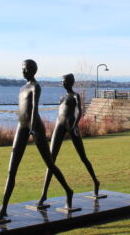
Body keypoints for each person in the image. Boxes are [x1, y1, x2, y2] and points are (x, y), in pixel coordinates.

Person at [0, 60, 75, 220]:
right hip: (21, 127)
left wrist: (32, 129)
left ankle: (68, 190)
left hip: (35, 127)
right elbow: (22, 111)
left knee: (49, 164)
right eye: (22, 69)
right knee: (12, 169)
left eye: (24, 69)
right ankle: (3, 209)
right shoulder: (22, 88)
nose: (22, 71)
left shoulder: (35, 87)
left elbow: (34, 109)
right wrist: (22, 127)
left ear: (31, 71)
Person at [37, 73, 100, 207]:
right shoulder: (62, 97)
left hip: (71, 126)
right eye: (61, 81)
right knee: (50, 160)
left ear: (70, 82)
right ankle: (44, 194)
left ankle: (95, 181)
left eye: (64, 81)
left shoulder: (75, 96)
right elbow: (61, 112)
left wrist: (75, 124)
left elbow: (80, 111)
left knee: (83, 157)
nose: (62, 83)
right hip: (59, 125)